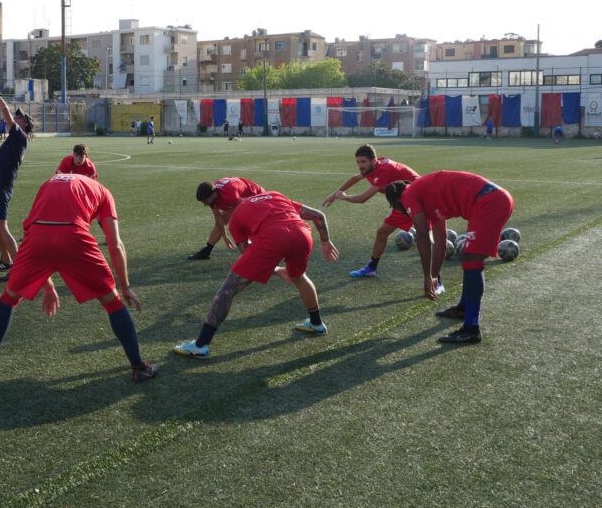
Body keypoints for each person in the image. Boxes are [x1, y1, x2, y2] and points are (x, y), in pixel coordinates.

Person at [0, 174, 157, 383]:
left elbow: (31, 228)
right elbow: (115, 243)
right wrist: (125, 286)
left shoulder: (49, 181)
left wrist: (47, 285)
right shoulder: (103, 192)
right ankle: (139, 367)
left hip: (38, 236)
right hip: (74, 235)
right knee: (112, 302)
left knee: (9, 297)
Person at [174, 190, 340, 358]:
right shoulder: (274, 195)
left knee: (228, 289)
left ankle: (200, 345)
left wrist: (275, 270)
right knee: (299, 277)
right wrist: (325, 242)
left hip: (275, 237)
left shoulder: (235, 219)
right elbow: (318, 216)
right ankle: (316, 323)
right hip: (303, 235)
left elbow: (246, 253)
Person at [385, 171, 514, 344]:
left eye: (396, 207)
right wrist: (434, 277)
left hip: (489, 202)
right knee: (468, 257)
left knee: (472, 259)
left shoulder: (408, 194)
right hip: (491, 200)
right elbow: (440, 243)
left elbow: (422, 236)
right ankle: (463, 309)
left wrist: (426, 277)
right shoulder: (426, 197)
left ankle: (471, 329)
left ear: (397, 200)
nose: (402, 211)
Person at [322, 145, 435, 289]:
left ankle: (436, 278)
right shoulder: (373, 166)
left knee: (425, 239)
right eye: (358, 162)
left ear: (373, 160)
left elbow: (363, 198)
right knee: (382, 232)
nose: (360, 166)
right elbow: (355, 178)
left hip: (420, 198)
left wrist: (344, 197)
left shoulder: (383, 172)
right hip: (401, 202)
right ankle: (372, 268)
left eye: (363, 162)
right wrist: (334, 194)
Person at [0, 86, 33, 272]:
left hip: (1, 188)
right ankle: (6, 259)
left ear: (25, 124)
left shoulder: (20, 136)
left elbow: (4, 111)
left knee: (1, 227)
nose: (15, 118)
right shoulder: (13, 139)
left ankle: (20, 270)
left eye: (19, 117)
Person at [187, 177, 265, 260]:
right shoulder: (212, 194)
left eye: (205, 201)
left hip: (257, 196)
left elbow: (243, 216)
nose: (205, 204)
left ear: (213, 194)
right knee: (222, 221)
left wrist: (246, 240)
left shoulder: (230, 194)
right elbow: (218, 218)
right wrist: (225, 237)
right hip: (240, 197)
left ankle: (260, 247)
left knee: (240, 223)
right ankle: (206, 251)